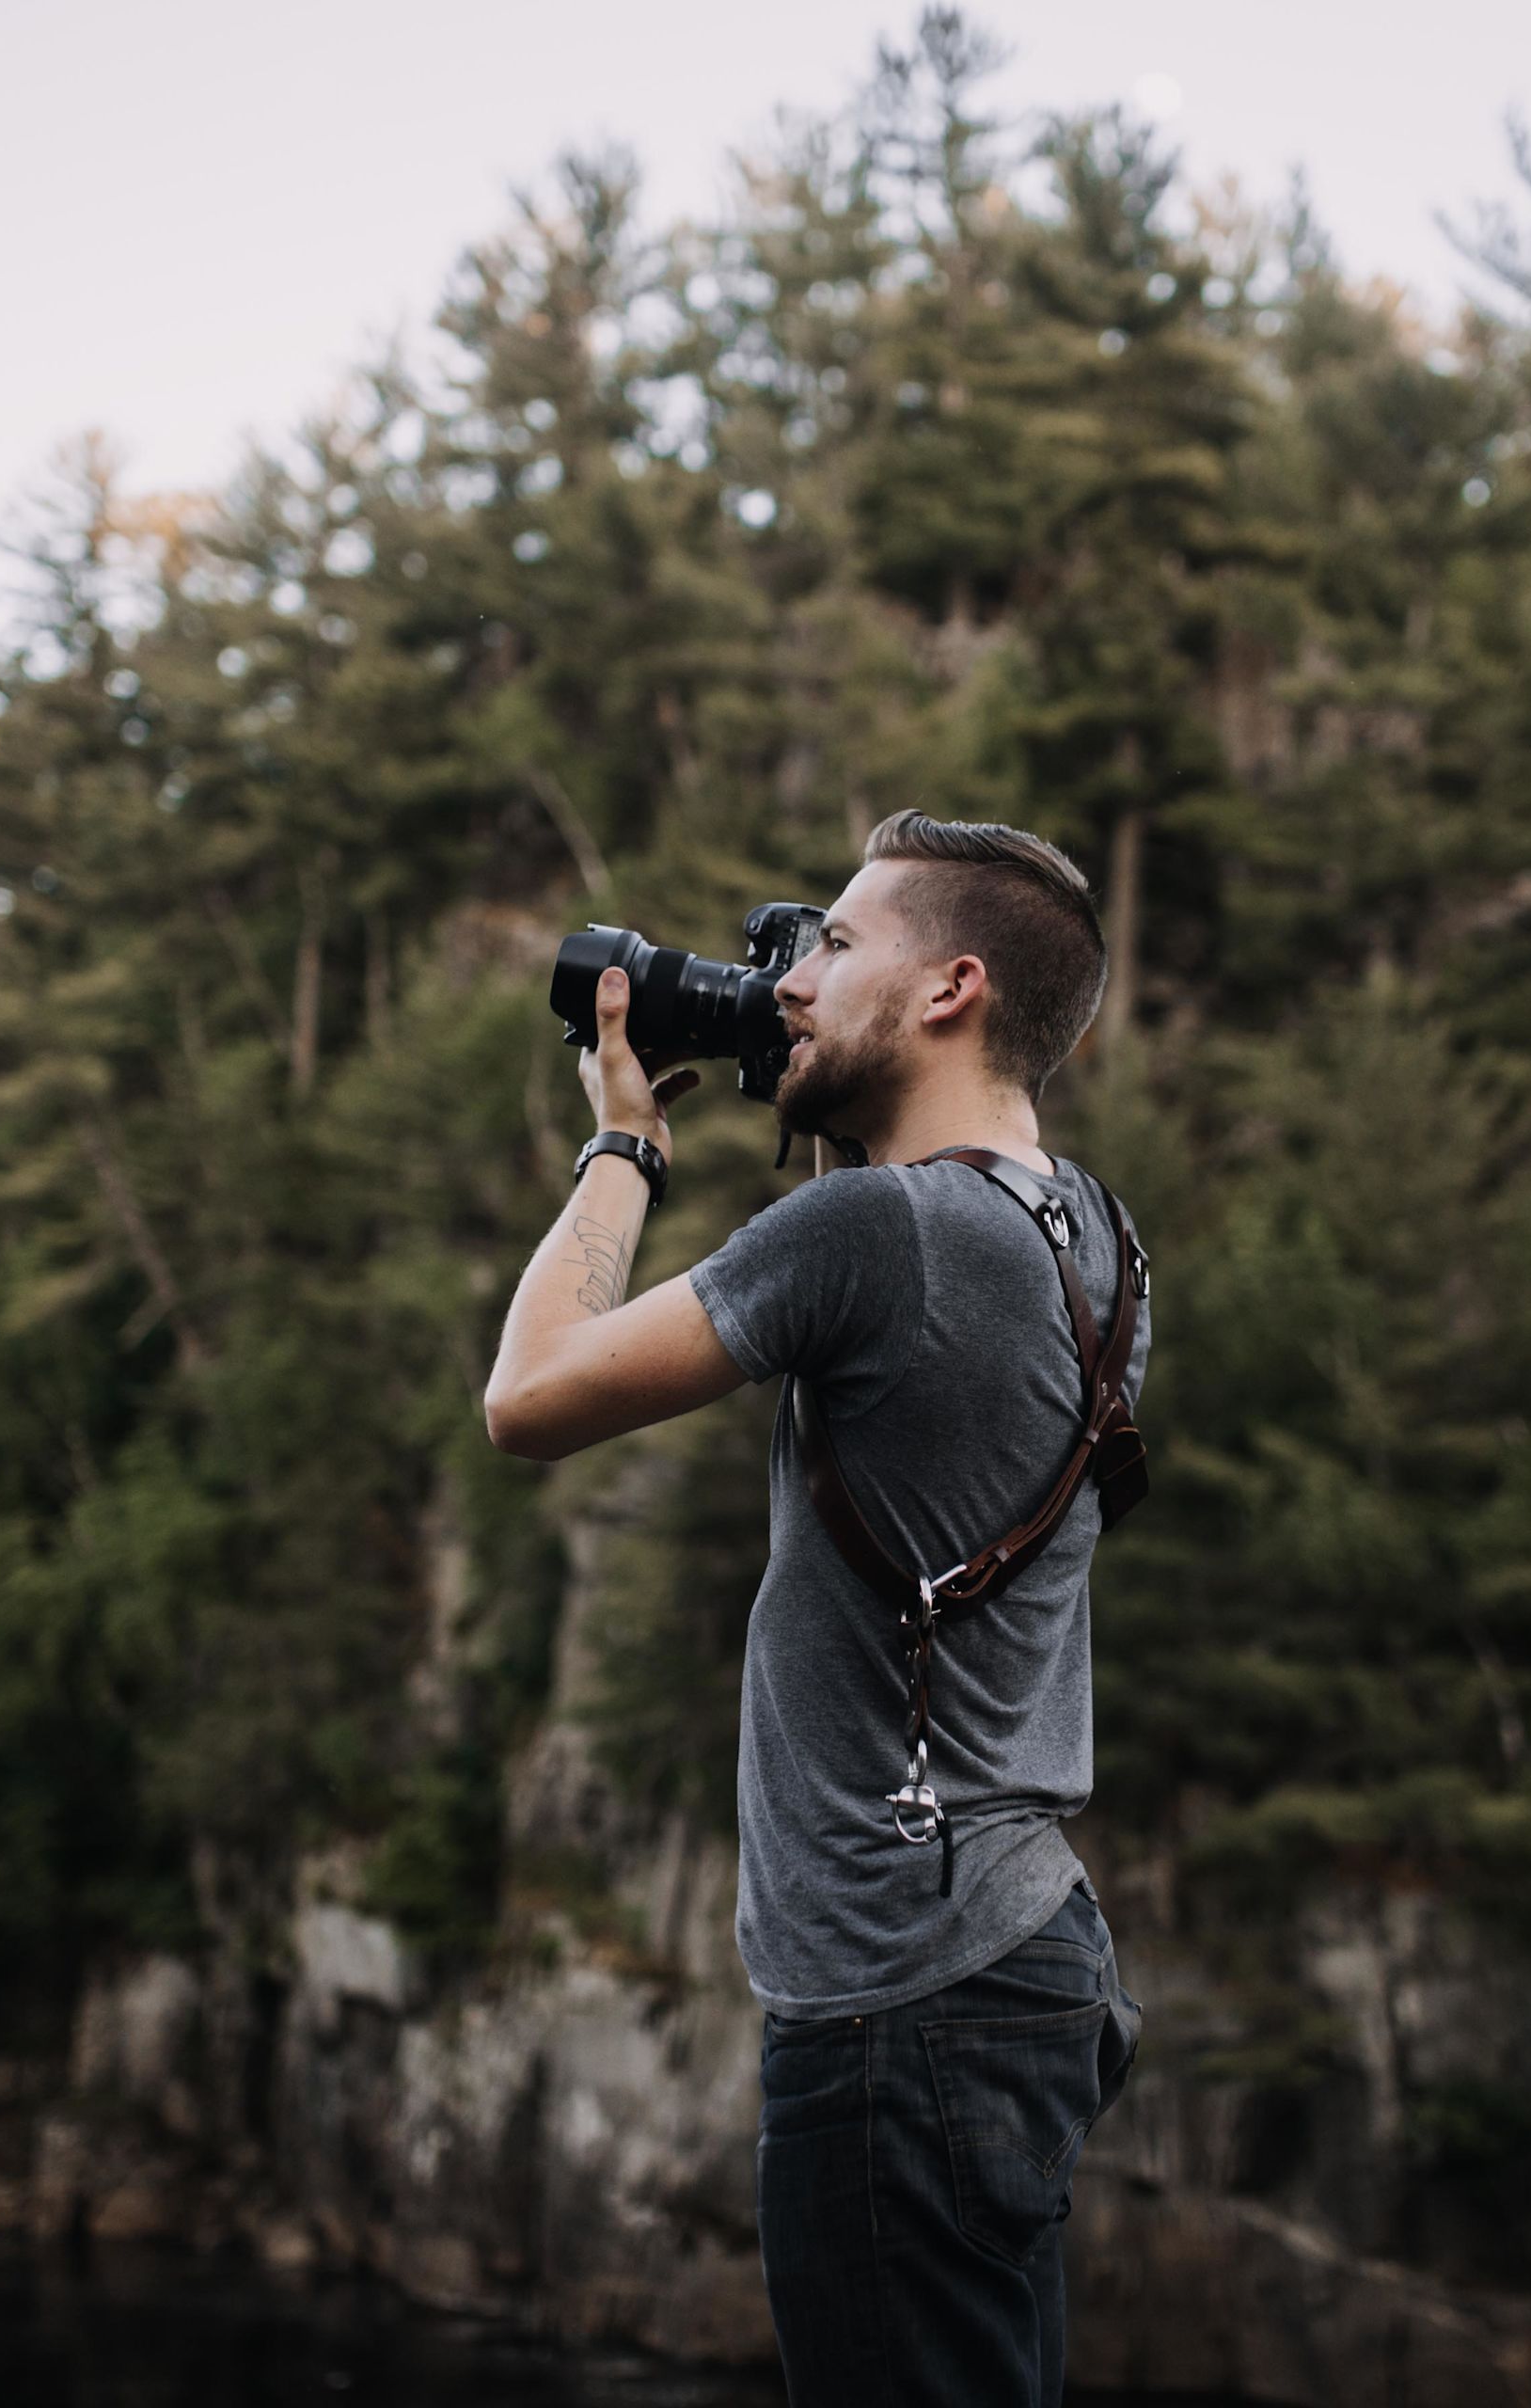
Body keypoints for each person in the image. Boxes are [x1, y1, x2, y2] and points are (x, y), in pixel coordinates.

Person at [484, 810, 1151, 2408]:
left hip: (902, 1993)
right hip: (1018, 1955)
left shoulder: (872, 1233)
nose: (788, 982)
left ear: (952, 990)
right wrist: (813, 1074)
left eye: (837, 947)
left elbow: (530, 1397)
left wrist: (626, 1143)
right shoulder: (1099, 1241)